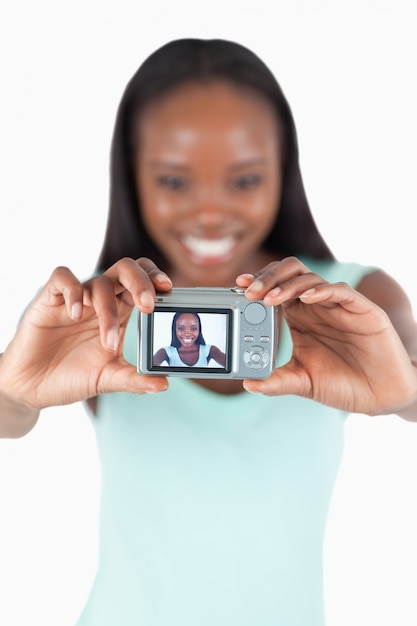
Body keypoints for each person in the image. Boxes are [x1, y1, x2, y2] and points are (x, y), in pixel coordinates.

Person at [1, 37, 417, 626]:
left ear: (283, 172)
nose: (210, 213)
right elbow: (8, 416)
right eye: (174, 182)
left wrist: (409, 392)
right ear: (132, 177)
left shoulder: (352, 302)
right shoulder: (91, 311)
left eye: (244, 180)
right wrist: (12, 390)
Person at [152, 311, 226, 367]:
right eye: (181, 328)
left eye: (193, 328)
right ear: (175, 330)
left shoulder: (209, 350)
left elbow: (232, 364)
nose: (187, 334)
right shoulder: (166, 352)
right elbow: (149, 366)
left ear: (199, 330)